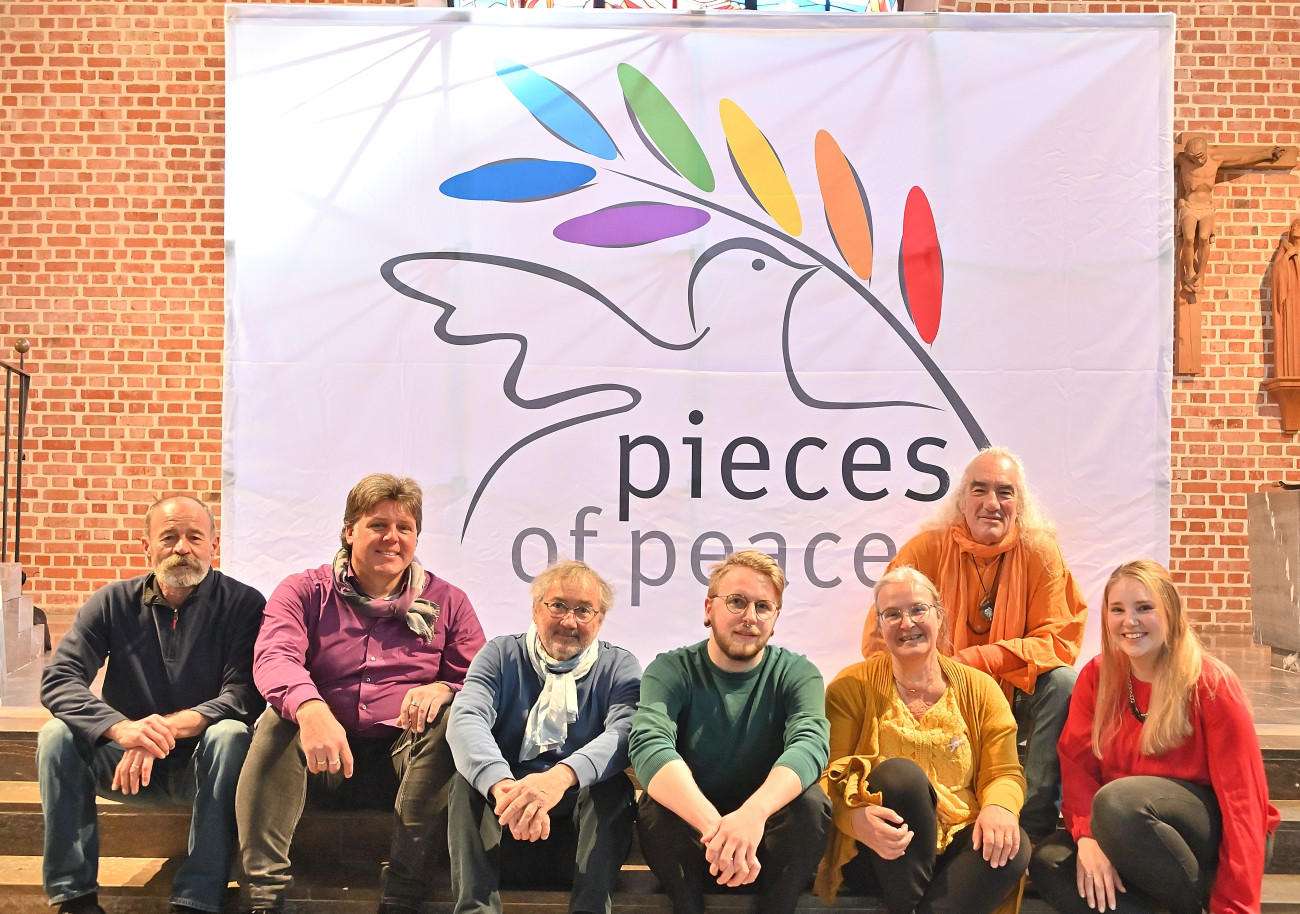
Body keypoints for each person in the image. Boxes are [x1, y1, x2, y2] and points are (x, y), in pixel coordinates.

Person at [236, 473, 486, 914]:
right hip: (322, 761)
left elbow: (480, 681)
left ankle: (403, 895)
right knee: (279, 718)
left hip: (407, 766)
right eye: (378, 525)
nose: (392, 538)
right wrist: (311, 708)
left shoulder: (449, 601)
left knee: (453, 721)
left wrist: (445, 688)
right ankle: (264, 898)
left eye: (404, 527)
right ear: (349, 530)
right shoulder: (303, 591)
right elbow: (275, 657)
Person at [38, 495, 265, 914]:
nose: (182, 548)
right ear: (147, 546)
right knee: (56, 735)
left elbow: (245, 695)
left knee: (231, 734)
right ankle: (75, 897)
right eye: (169, 537)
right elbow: (60, 678)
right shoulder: (112, 602)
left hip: (203, 766)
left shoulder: (244, 604)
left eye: (194, 537)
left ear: (213, 545)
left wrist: (158, 730)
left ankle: (198, 898)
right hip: (126, 767)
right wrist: (122, 729)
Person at [1030, 560, 1279, 914]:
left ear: (1171, 612)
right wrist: (1087, 838)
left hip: (1212, 839)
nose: (1129, 621)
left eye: (1144, 608)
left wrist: (1235, 906)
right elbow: (1077, 768)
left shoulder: (1212, 684)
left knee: (1117, 803)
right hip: (1131, 834)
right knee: (1051, 861)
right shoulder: (1097, 676)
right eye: (1117, 610)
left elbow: (1244, 805)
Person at [861, 446, 1085, 840]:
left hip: (1012, 694)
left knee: (1063, 683)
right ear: (961, 500)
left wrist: (979, 660)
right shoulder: (926, 550)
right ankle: (931, 817)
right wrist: (936, 677)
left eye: (1005, 492)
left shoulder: (1040, 553)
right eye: (979, 490)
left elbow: (1058, 639)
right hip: (940, 692)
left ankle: (1029, 829)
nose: (992, 504)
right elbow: (881, 638)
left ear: (1020, 504)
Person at [629, 549, 831, 914]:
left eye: (763, 606)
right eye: (737, 601)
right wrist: (719, 831)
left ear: (775, 618)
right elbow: (649, 746)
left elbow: (810, 745)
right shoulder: (670, 669)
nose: (749, 616)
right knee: (657, 808)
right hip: (693, 846)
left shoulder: (798, 673)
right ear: (709, 609)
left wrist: (752, 815)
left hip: (766, 852)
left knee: (811, 807)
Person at [820, 566, 1028, 914]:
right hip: (880, 851)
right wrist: (855, 819)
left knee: (1012, 844)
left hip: (959, 843)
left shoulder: (981, 689)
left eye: (918, 609)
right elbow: (830, 775)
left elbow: (1004, 772)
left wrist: (999, 807)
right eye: (892, 614)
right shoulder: (850, 687)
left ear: (939, 616)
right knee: (900, 777)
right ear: (879, 627)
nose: (907, 623)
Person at [446, 560, 641, 914]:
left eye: (584, 610)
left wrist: (558, 779)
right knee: (465, 784)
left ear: (599, 621)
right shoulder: (499, 655)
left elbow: (624, 733)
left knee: (612, 788)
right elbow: (466, 719)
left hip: (581, 850)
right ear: (536, 610)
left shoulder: (619, 667)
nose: (569, 621)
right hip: (503, 834)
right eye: (558, 606)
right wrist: (504, 789)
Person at [1176, 135, 1285, 294]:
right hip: (1190, 206)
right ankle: (1190, 273)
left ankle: (1201, 275)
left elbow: (1241, 157)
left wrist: (1267, 153)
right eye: (1192, 158)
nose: (1197, 161)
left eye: (1200, 156)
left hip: (1207, 208)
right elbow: (1155, 156)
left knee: (1204, 238)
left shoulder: (1215, 159)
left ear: (1206, 151)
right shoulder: (1182, 159)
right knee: (1189, 238)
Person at [1269, 217, 1300, 378]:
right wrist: (1288, 254)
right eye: (1293, 225)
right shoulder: (1286, 250)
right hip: (1291, 302)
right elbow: (1276, 274)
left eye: (1298, 225)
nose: (1295, 227)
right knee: (1292, 336)